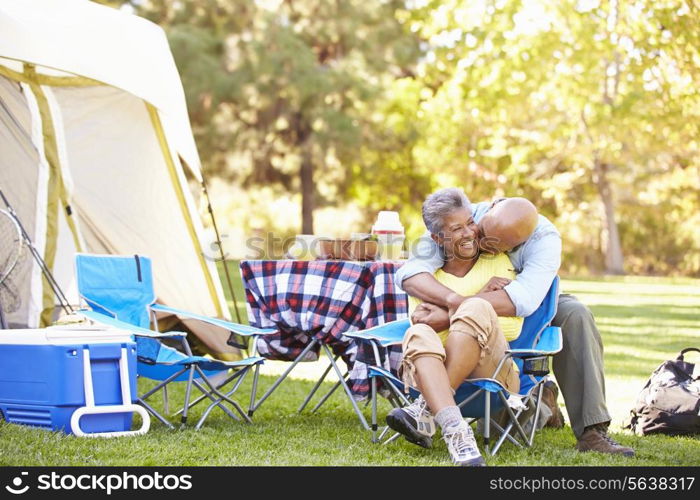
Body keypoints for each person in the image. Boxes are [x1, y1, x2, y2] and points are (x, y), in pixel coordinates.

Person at [395, 194, 635, 457]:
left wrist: (448, 314)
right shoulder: (463, 216)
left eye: (502, 247)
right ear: (490, 208)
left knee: (576, 315)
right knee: (501, 422)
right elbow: (410, 273)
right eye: (484, 236)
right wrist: (456, 302)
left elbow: (523, 300)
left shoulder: (545, 240)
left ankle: (592, 431)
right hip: (475, 299)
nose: (486, 247)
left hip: (528, 299)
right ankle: (539, 401)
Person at [386, 187, 525, 466]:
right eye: (457, 228)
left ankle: (426, 408)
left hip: (492, 372)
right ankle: (456, 431)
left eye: (470, 222)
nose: (470, 233)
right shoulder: (427, 277)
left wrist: (454, 312)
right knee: (418, 333)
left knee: (475, 308)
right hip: (430, 369)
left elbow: (512, 328)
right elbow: (421, 321)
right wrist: (477, 301)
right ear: (437, 238)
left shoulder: (499, 262)